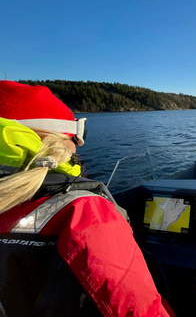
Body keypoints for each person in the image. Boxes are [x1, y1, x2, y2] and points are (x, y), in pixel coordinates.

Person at [0, 81, 173, 317]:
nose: (78, 147)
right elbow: (138, 311)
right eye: (77, 137)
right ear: (55, 139)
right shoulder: (84, 212)